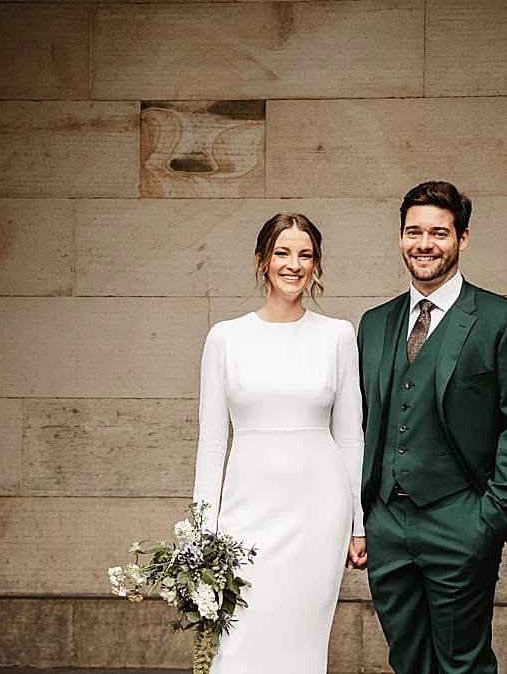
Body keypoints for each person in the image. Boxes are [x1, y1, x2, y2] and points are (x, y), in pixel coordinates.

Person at [359, 181, 507, 674]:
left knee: (462, 665)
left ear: (462, 239)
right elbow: (362, 422)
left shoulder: (506, 320)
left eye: (439, 233)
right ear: (401, 238)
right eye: (413, 232)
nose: (424, 244)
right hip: (387, 523)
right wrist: (365, 517)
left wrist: (489, 521)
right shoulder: (374, 324)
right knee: (407, 661)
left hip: (463, 519)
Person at [190, 213, 364, 673]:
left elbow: (350, 436)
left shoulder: (338, 335)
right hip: (247, 511)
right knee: (239, 640)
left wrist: (358, 522)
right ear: (262, 260)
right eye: (283, 253)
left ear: (316, 265)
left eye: (305, 255)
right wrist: (202, 530)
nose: (294, 264)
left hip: (318, 515)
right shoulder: (225, 337)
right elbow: (211, 442)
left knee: (301, 643)